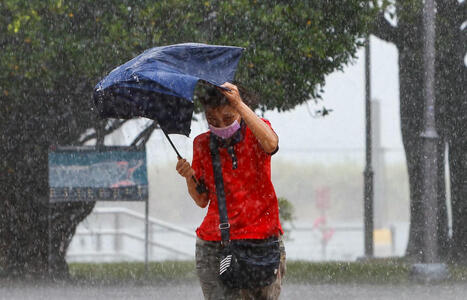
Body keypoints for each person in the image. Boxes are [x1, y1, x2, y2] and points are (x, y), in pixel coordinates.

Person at [176, 82, 286, 299]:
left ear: (239, 111)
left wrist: (239, 103)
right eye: (213, 121)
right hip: (216, 245)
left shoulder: (257, 131)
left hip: (262, 242)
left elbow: (272, 144)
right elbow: (201, 199)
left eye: (228, 118)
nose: (221, 126)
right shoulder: (202, 144)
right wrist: (189, 177)